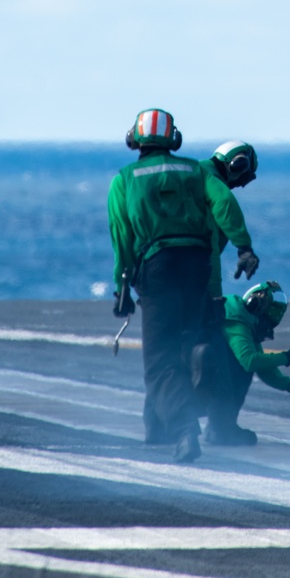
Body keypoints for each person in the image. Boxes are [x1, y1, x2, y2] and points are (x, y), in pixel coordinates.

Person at [108, 108, 259, 463]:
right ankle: (180, 426)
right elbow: (224, 203)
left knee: (160, 357)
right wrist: (244, 246)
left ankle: (175, 427)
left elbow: (122, 237)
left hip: (156, 270)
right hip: (195, 270)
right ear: (173, 139)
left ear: (135, 138)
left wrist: (122, 286)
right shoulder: (193, 170)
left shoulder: (125, 179)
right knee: (187, 347)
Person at [191, 280, 290, 445]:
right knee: (240, 370)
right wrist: (288, 357)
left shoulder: (243, 320)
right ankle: (221, 428)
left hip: (188, 376)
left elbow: (264, 369)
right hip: (195, 380)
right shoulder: (236, 321)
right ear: (255, 304)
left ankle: (172, 420)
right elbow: (250, 361)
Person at [200, 140, 260, 298]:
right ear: (236, 164)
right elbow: (225, 203)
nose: (236, 185)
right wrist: (245, 249)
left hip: (157, 260)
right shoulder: (210, 178)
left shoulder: (188, 172)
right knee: (210, 312)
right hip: (199, 254)